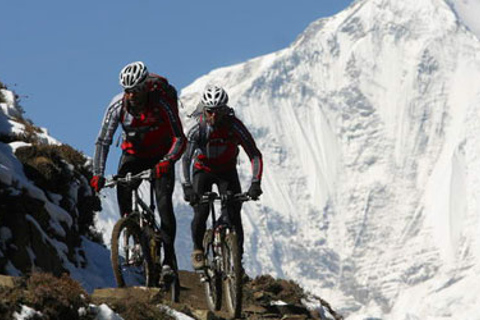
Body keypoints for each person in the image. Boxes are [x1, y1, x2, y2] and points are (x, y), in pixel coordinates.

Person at [90, 61, 186, 278]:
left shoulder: (162, 102)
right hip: (133, 156)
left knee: (164, 205)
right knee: (122, 188)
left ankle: (169, 262)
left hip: (160, 157)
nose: (131, 95)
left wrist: (168, 161)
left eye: (135, 90)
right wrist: (97, 173)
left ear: (145, 88)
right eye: (127, 91)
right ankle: (132, 231)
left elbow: (180, 138)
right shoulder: (117, 106)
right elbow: (103, 141)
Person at [181, 85, 263, 270]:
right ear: (204, 110)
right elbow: (185, 160)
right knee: (201, 211)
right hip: (203, 170)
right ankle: (198, 250)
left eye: (218, 112)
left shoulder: (235, 127)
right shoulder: (198, 129)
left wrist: (256, 183)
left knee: (234, 214)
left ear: (225, 110)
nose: (214, 117)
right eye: (210, 112)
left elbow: (254, 154)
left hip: (227, 171)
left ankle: (237, 262)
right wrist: (187, 187)